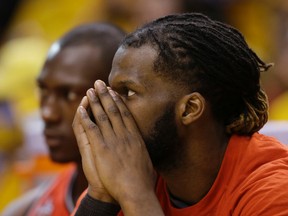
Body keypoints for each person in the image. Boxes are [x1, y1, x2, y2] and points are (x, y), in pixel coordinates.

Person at [72, 12, 288, 215]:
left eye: (127, 92)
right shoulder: (128, 175)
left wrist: (135, 196)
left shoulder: (274, 190)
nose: (107, 105)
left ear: (190, 109)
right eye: (109, 91)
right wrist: (100, 194)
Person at [2, 22, 125, 216]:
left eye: (68, 94)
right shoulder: (25, 210)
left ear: (116, 97)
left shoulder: (159, 200)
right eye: (43, 90)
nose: (47, 113)